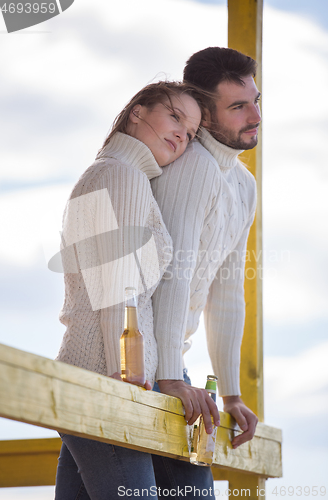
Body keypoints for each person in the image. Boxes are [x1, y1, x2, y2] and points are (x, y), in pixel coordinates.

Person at [54, 81, 206, 499]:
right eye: (175, 117)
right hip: (108, 381)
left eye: (191, 132)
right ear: (137, 112)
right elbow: (117, 287)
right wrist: (128, 377)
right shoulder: (120, 175)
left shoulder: (119, 174)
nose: (182, 134)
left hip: (100, 378)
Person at [150, 47, 261, 493]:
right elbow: (173, 274)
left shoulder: (243, 183)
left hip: (171, 369)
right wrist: (171, 378)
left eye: (256, 100)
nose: (254, 115)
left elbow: (228, 292)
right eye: (238, 106)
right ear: (207, 116)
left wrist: (232, 394)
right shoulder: (191, 166)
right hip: (142, 366)